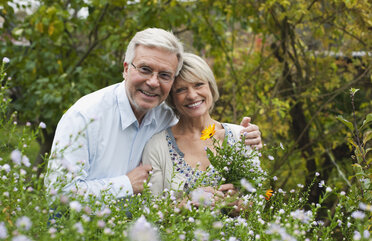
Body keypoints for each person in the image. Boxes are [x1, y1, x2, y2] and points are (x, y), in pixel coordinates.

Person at [45, 28, 262, 201]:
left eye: (165, 75)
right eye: (145, 69)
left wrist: (247, 135)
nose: (153, 82)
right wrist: (126, 184)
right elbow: (57, 193)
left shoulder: (166, 116)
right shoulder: (84, 117)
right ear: (126, 68)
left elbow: (200, 126)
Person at [142, 53, 260, 197]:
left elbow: (258, 201)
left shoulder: (241, 136)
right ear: (172, 98)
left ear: (210, 86)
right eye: (181, 89)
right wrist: (186, 205)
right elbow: (151, 208)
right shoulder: (157, 146)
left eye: (198, 85)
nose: (192, 95)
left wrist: (235, 204)